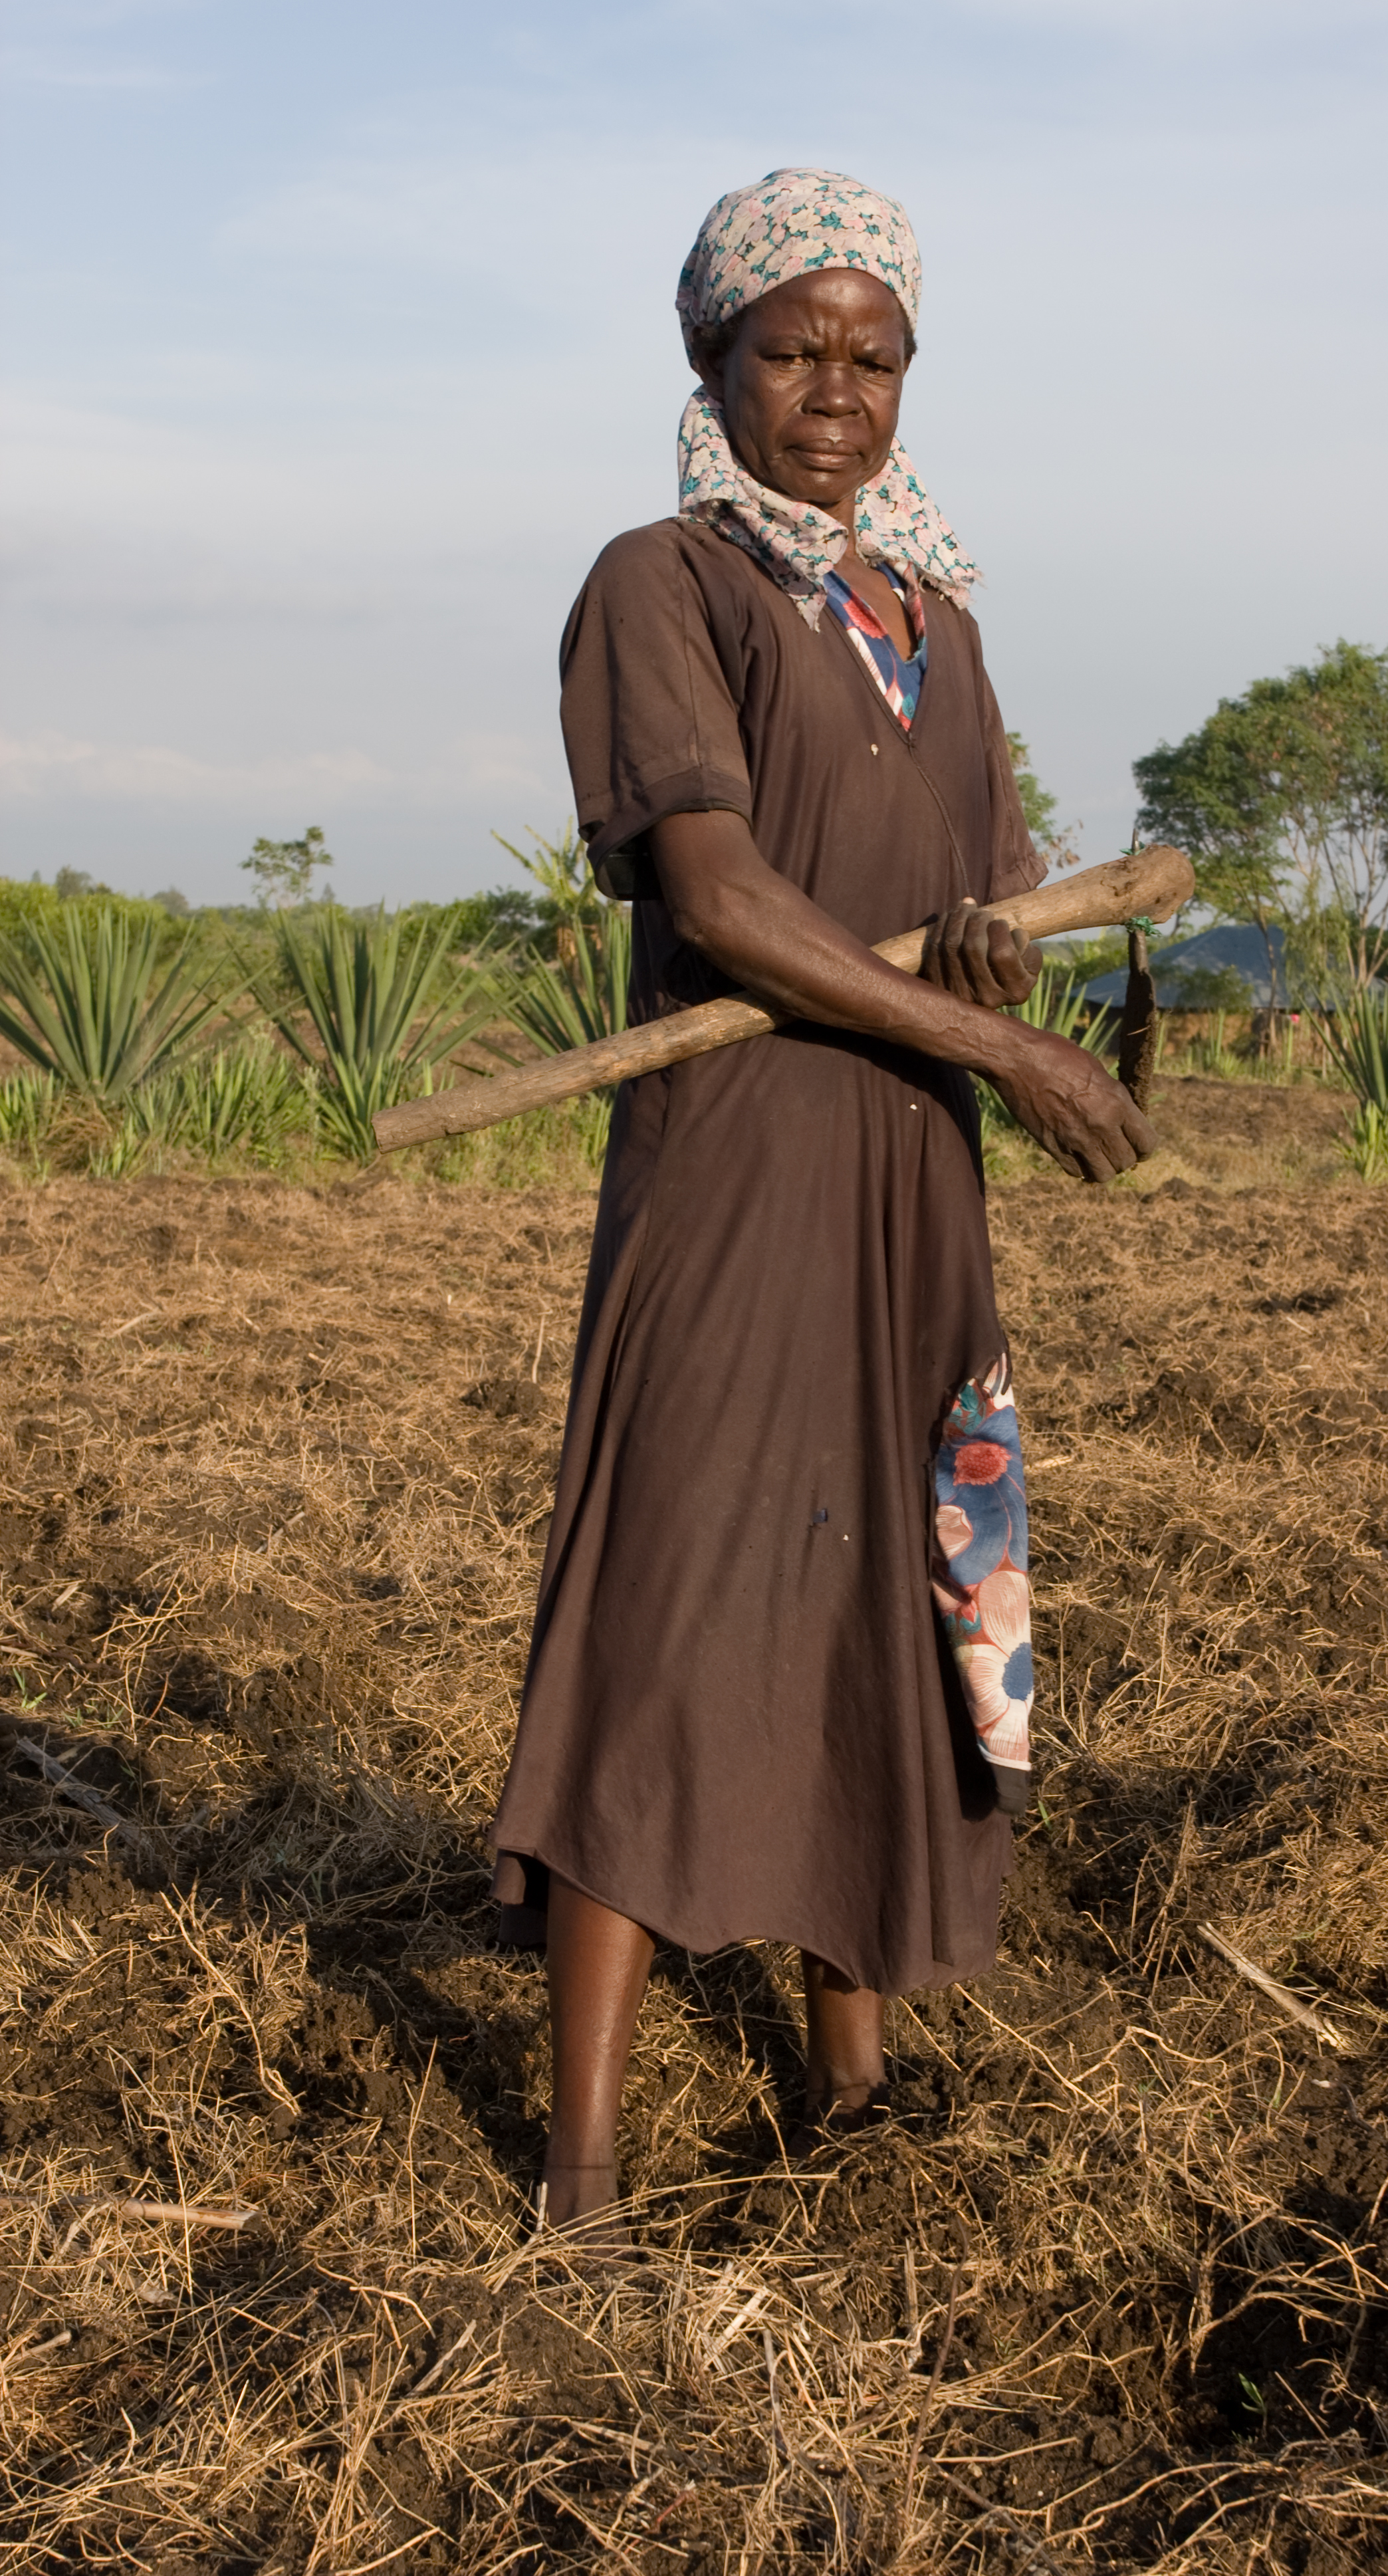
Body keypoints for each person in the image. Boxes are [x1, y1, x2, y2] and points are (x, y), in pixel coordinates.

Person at [489, 168, 1153, 2240]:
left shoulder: (938, 622)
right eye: (793, 349)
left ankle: (853, 2086)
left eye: (873, 357)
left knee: (891, 1592)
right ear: (714, 358)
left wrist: (1002, 979)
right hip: (744, 1176)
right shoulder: (659, 586)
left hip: (905, 1186)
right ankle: (582, 2171)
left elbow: (982, 906)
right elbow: (725, 901)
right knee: (671, 1612)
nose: (835, 393)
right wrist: (1009, 1056)